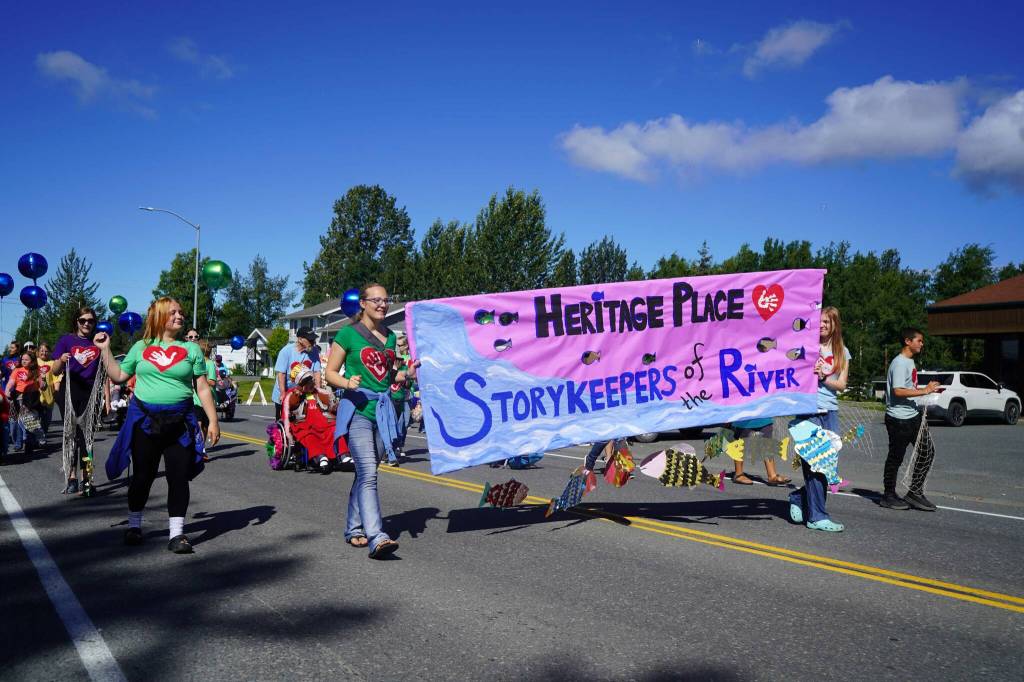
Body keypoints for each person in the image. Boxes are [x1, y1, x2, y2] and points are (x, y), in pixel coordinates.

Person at [97, 297, 219, 554]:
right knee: (143, 476)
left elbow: (202, 387)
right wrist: (105, 350)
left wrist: (213, 421)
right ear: (160, 316)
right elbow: (119, 376)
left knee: (178, 478)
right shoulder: (141, 347)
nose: (179, 316)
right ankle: (134, 525)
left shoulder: (192, 350)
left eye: (181, 312)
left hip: (180, 423)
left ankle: (177, 535)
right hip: (146, 422)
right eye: (173, 312)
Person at [325, 283, 417, 559]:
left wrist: (407, 373)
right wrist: (346, 382)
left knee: (365, 473)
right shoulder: (348, 334)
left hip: (384, 414)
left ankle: (354, 529)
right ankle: (377, 536)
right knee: (369, 473)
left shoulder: (389, 337)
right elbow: (329, 373)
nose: (382, 304)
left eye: (386, 300)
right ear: (363, 303)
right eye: (376, 300)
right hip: (358, 411)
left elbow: (389, 377)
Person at [788, 306, 850, 532]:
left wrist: (823, 377)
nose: (823, 325)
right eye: (820, 321)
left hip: (830, 411)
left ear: (835, 324)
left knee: (826, 464)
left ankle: (798, 497)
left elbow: (841, 385)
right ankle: (817, 516)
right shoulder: (805, 346)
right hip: (808, 410)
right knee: (816, 462)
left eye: (827, 322)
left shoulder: (842, 351)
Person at [881, 327, 941, 512]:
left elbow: (907, 388)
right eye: (919, 341)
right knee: (896, 457)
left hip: (913, 416)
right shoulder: (899, 363)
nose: (922, 344)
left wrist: (925, 392)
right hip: (899, 419)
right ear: (908, 341)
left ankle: (914, 492)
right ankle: (888, 495)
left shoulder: (909, 362)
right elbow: (898, 391)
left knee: (927, 452)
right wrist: (924, 391)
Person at [51, 307, 104, 494]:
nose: (87, 324)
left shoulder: (99, 341)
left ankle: (87, 480)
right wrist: (61, 359)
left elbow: (105, 371)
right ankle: (72, 477)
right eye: (83, 320)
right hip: (70, 390)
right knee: (71, 435)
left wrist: (105, 398)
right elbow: (55, 370)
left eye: (90, 320)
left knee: (87, 440)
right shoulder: (67, 340)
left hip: (90, 392)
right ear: (77, 322)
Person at [284, 367, 345, 474]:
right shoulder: (295, 395)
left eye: (311, 381)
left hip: (324, 422)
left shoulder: (320, 393)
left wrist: (335, 406)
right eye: (307, 382)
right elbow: (292, 404)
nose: (311, 384)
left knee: (336, 430)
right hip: (305, 424)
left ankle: (344, 456)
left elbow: (330, 405)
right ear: (301, 385)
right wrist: (299, 391)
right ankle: (320, 458)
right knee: (309, 436)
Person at [273, 327, 321, 421]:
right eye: (310, 340)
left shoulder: (314, 351)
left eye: (313, 340)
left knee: (306, 421)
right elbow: (281, 374)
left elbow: (317, 372)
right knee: (284, 422)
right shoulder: (286, 351)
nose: (313, 342)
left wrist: (318, 390)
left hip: (304, 391)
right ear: (300, 339)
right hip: (285, 391)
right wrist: (283, 393)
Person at [730, 419, 790, 486]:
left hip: (763, 417)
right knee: (740, 443)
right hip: (744, 419)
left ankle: (772, 476)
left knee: (767, 443)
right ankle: (738, 474)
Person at [5, 352, 44, 455]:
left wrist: (43, 381)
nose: (24, 361)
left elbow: (42, 385)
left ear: (32, 361)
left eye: (27, 360)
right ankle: (21, 441)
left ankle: (29, 444)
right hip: (18, 397)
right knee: (18, 422)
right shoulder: (17, 370)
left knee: (28, 420)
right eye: (22, 359)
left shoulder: (36, 371)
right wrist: (7, 391)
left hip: (32, 398)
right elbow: (11, 383)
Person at [193, 340, 217, 461]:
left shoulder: (209, 364)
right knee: (198, 425)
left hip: (207, 401)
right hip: (196, 400)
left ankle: (201, 448)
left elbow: (212, 382)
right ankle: (200, 450)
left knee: (204, 427)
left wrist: (199, 379)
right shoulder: (196, 363)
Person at [37, 342, 56, 438]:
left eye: (46, 351)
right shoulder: (34, 362)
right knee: (35, 418)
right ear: (38, 352)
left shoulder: (53, 363)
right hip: (36, 396)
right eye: (41, 351)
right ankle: (37, 438)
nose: (44, 353)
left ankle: (43, 434)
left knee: (46, 419)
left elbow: (57, 377)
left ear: (49, 352)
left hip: (49, 396)